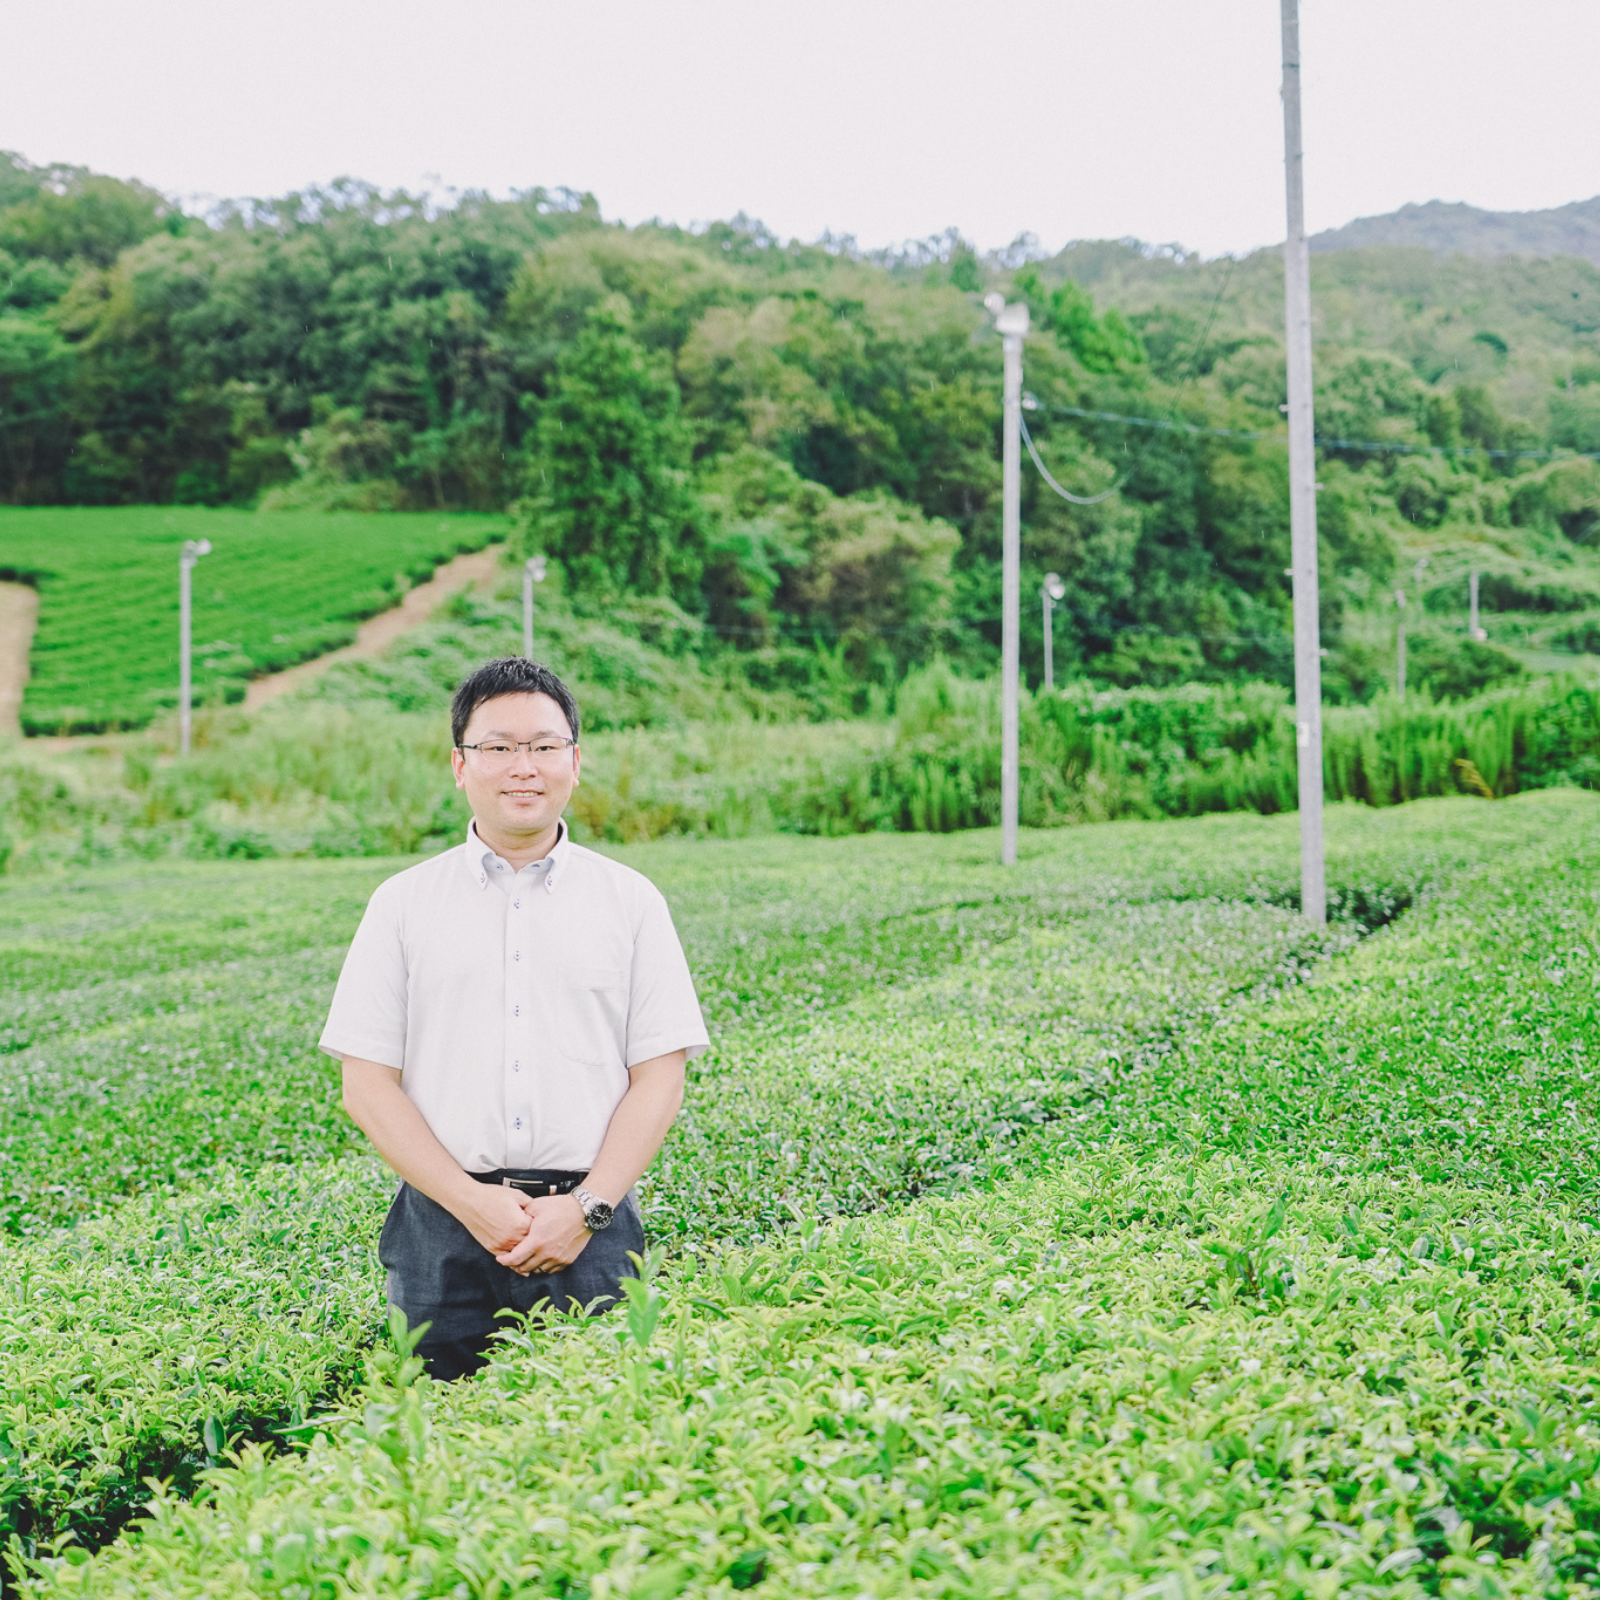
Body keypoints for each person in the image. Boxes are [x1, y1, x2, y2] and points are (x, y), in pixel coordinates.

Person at [321, 657, 708, 1379]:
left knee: (605, 1451)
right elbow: (366, 1084)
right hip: (441, 1230)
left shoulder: (630, 901)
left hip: (593, 1226)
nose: (521, 767)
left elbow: (660, 1076)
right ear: (460, 766)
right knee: (436, 1452)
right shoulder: (402, 904)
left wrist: (586, 1208)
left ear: (575, 760)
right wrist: (471, 1202)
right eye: (498, 748)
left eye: (542, 746)